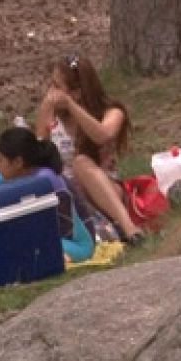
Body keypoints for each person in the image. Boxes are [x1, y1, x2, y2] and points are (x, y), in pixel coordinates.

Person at [34, 53, 145, 246]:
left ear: (76, 92)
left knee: (81, 163)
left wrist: (71, 106)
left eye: (57, 87)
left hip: (106, 193)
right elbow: (37, 156)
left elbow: (102, 135)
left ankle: (130, 230)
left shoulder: (112, 112)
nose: (51, 93)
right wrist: (44, 116)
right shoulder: (53, 116)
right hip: (68, 196)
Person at [0, 126, 94, 262]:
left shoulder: (44, 180)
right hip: (49, 239)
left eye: (0, 160)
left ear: (17, 162)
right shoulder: (21, 173)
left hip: (75, 245)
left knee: (19, 246)